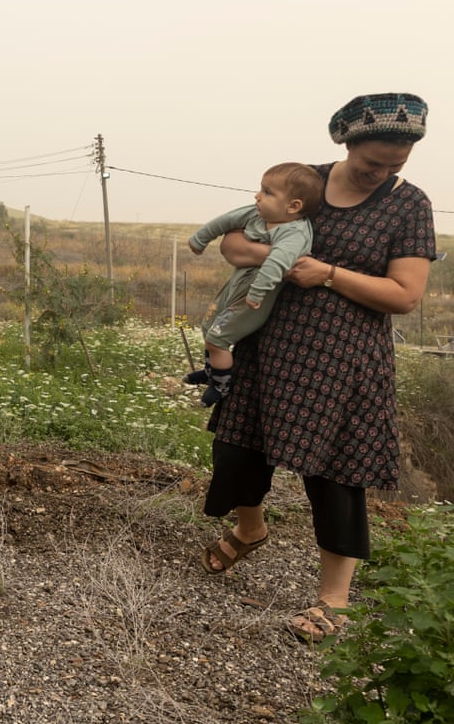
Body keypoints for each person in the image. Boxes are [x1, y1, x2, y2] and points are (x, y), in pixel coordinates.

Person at [201, 93, 435, 643]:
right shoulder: (302, 183)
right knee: (237, 450)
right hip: (269, 348)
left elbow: (404, 295)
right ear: (345, 143)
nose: (381, 172)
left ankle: (333, 600)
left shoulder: (409, 206)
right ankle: (251, 528)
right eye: (370, 161)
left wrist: (327, 274)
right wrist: (279, 259)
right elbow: (235, 244)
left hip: (345, 361)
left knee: (335, 476)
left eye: (395, 163)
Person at [183, 163, 324, 406]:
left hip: (254, 299)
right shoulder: (257, 214)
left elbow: (276, 263)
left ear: (293, 206)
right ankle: (211, 372)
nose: (258, 195)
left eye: (268, 192)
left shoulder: (294, 233)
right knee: (209, 325)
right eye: (261, 189)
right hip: (235, 286)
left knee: (219, 338)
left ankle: (221, 386)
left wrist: (257, 292)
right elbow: (225, 221)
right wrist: (200, 239)